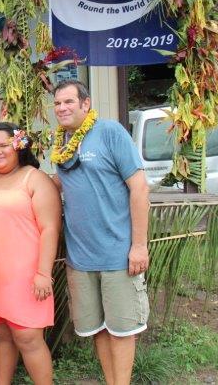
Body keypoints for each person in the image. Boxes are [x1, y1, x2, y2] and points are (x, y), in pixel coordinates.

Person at [51, 80, 150, 385]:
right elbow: (60, 186)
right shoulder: (62, 144)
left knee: (122, 331)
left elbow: (139, 188)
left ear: (86, 104)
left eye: (69, 101)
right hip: (80, 259)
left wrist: (138, 246)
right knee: (99, 330)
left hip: (117, 254)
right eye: (57, 103)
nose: (62, 108)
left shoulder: (109, 132)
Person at [0, 122, 62, 385]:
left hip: (26, 276)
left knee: (28, 337)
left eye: (4, 145)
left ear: (18, 146)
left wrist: (44, 272)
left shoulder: (35, 179)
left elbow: (50, 228)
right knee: (0, 334)